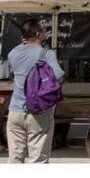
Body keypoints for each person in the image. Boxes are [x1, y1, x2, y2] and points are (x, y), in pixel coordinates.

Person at [6, 18, 65, 164]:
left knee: (15, 159)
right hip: (38, 112)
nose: (46, 32)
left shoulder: (13, 53)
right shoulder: (46, 54)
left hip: (15, 111)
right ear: (38, 34)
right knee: (38, 160)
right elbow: (59, 75)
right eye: (43, 29)